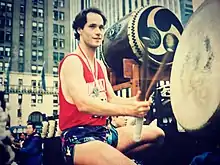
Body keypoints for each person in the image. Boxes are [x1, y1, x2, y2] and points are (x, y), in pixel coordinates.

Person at [58, 7, 165, 165]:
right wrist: (129, 110)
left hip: (105, 133)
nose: (99, 32)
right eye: (92, 26)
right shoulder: (72, 61)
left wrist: (134, 102)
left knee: (158, 135)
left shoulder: (100, 65)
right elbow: (83, 104)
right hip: (80, 139)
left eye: (101, 27)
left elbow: (111, 98)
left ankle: (113, 157)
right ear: (79, 29)